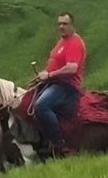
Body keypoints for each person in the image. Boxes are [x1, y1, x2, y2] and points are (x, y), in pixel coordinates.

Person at [30, 12, 87, 158]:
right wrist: (44, 75)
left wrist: (49, 75)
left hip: (66, 85)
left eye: (65, 24)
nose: (61, 27)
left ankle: (59, 144)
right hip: (54, 82)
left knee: (41, 105)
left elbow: (72, 68)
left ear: (73, 25)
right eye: (59, 24)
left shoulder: (75, 43)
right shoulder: (62, 42)